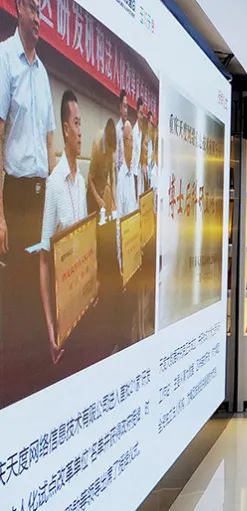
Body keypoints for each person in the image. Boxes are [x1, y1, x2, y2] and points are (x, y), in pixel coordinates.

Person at [0, 0, 56, 366]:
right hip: (16, 196)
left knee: (40, 289)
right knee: (15, 294)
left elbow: (50, 141)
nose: (38, 18)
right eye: (32, 8)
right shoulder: (5, 59)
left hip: (40, 195)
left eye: (41, 11)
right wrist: (0, 215)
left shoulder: (44, 73)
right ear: (19, 8)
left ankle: (37, 369)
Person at [36, 90, 86, 363]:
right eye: (76, 124)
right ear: (65, 130)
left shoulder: (81, 181)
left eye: (81, 124)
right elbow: (44, 261)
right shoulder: (54, 184)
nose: (80, 132)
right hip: (63, 314)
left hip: (83, 306)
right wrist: (50, 329)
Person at [88, 118, 118, 216]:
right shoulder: (97, 146)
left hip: (102, 191)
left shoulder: (111, 146)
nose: (111, 153)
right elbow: (90, 179)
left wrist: (114, 202)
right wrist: (98, 199)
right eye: (110, 150)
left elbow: (112, 178)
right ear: (106, 144)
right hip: (93, 195)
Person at [115, 119, 138, 218]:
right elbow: (119, 215)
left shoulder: (132, 173)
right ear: (124, 143)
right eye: (129, 139)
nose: (132, 145)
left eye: (132, 139)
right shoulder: (121, 178)